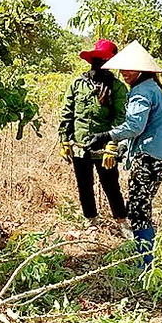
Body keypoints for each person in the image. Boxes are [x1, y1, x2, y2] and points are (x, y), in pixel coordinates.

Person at [86, 41, 162, 269]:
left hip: (150, 156)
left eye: (129, 69)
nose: (124, 73)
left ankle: (144, 263)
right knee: (142, 205)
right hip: (157, 154)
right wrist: (122, 149)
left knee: (138, 208)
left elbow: (134, 126)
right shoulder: (150, 87)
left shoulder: (142, 91)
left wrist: (105, 136)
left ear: (142, 69)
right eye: (122, 69)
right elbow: (145, 128)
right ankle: (145, 258)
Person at [58, 38, 130, 234]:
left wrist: (112, 145)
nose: (100, 65)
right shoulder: (77, 84)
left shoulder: (116, 88)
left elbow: (120, 117)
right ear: (92, 61)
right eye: (97, 60)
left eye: (105, 61)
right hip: (80, 146)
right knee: (84, 185)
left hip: (105, 146)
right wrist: (64, 139)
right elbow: (67, 111)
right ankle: (91, 219)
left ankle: (122, 221)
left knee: (111, 184)